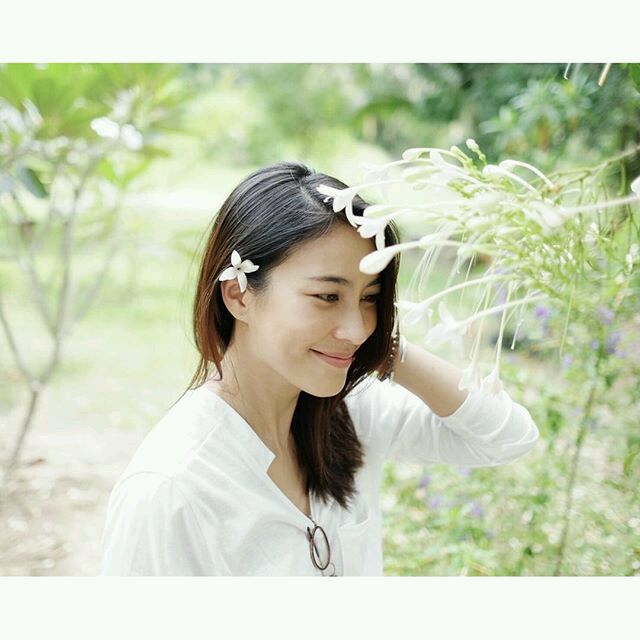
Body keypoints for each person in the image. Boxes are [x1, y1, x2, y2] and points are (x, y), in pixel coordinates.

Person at [99, 161, 540, 576]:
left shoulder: (350, 411)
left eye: (369, 298)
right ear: (238, 295)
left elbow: (507, 438)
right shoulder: (171, 488)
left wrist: (387, 350)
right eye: (328, 297)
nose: (357, 328)